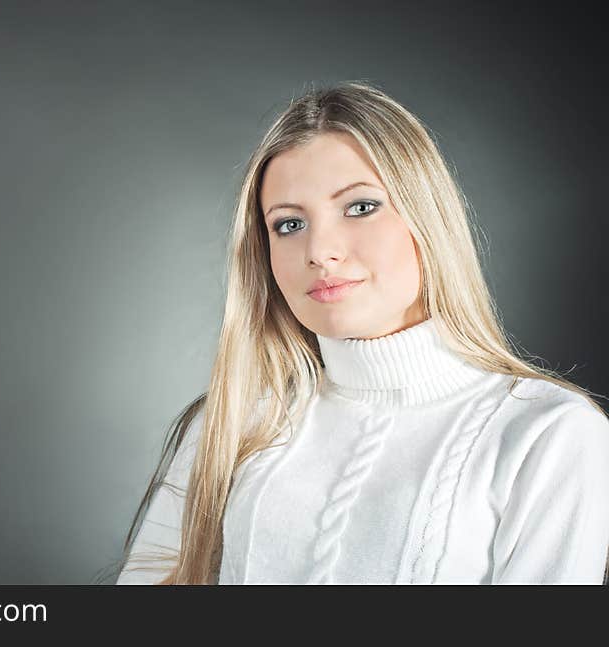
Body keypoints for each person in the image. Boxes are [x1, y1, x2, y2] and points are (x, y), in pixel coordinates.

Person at [113, 81, 609, 585]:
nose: (320, 250)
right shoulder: (233, 423)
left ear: (428, 218)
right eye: (288, 224)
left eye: (360, 207)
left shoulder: (547, 435)